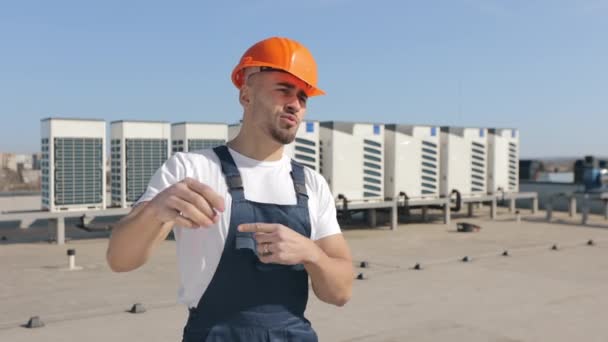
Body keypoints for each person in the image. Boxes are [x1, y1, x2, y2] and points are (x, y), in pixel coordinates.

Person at [106, 36, 354, 341]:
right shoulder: (191, 169)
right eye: (283, 89)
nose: (295, 104)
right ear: (246, 95)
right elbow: (120, 260)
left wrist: (311, 253)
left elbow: (341, 293)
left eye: (303, 97)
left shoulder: (311, 184)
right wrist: (155, 210)